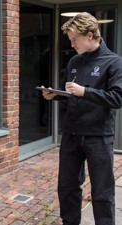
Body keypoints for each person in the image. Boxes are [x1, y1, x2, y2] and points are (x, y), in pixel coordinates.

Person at [42, 12, 122, 225]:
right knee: (67, 187)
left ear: (89, 35)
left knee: (102, 192)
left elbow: (117, 98)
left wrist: (84, 91)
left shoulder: (114, 62)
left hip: (98, 137)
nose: (71, 43)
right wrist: (56, 95)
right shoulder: (74, 62)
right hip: (71, 134)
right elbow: (72, 96)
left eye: (74, 39)